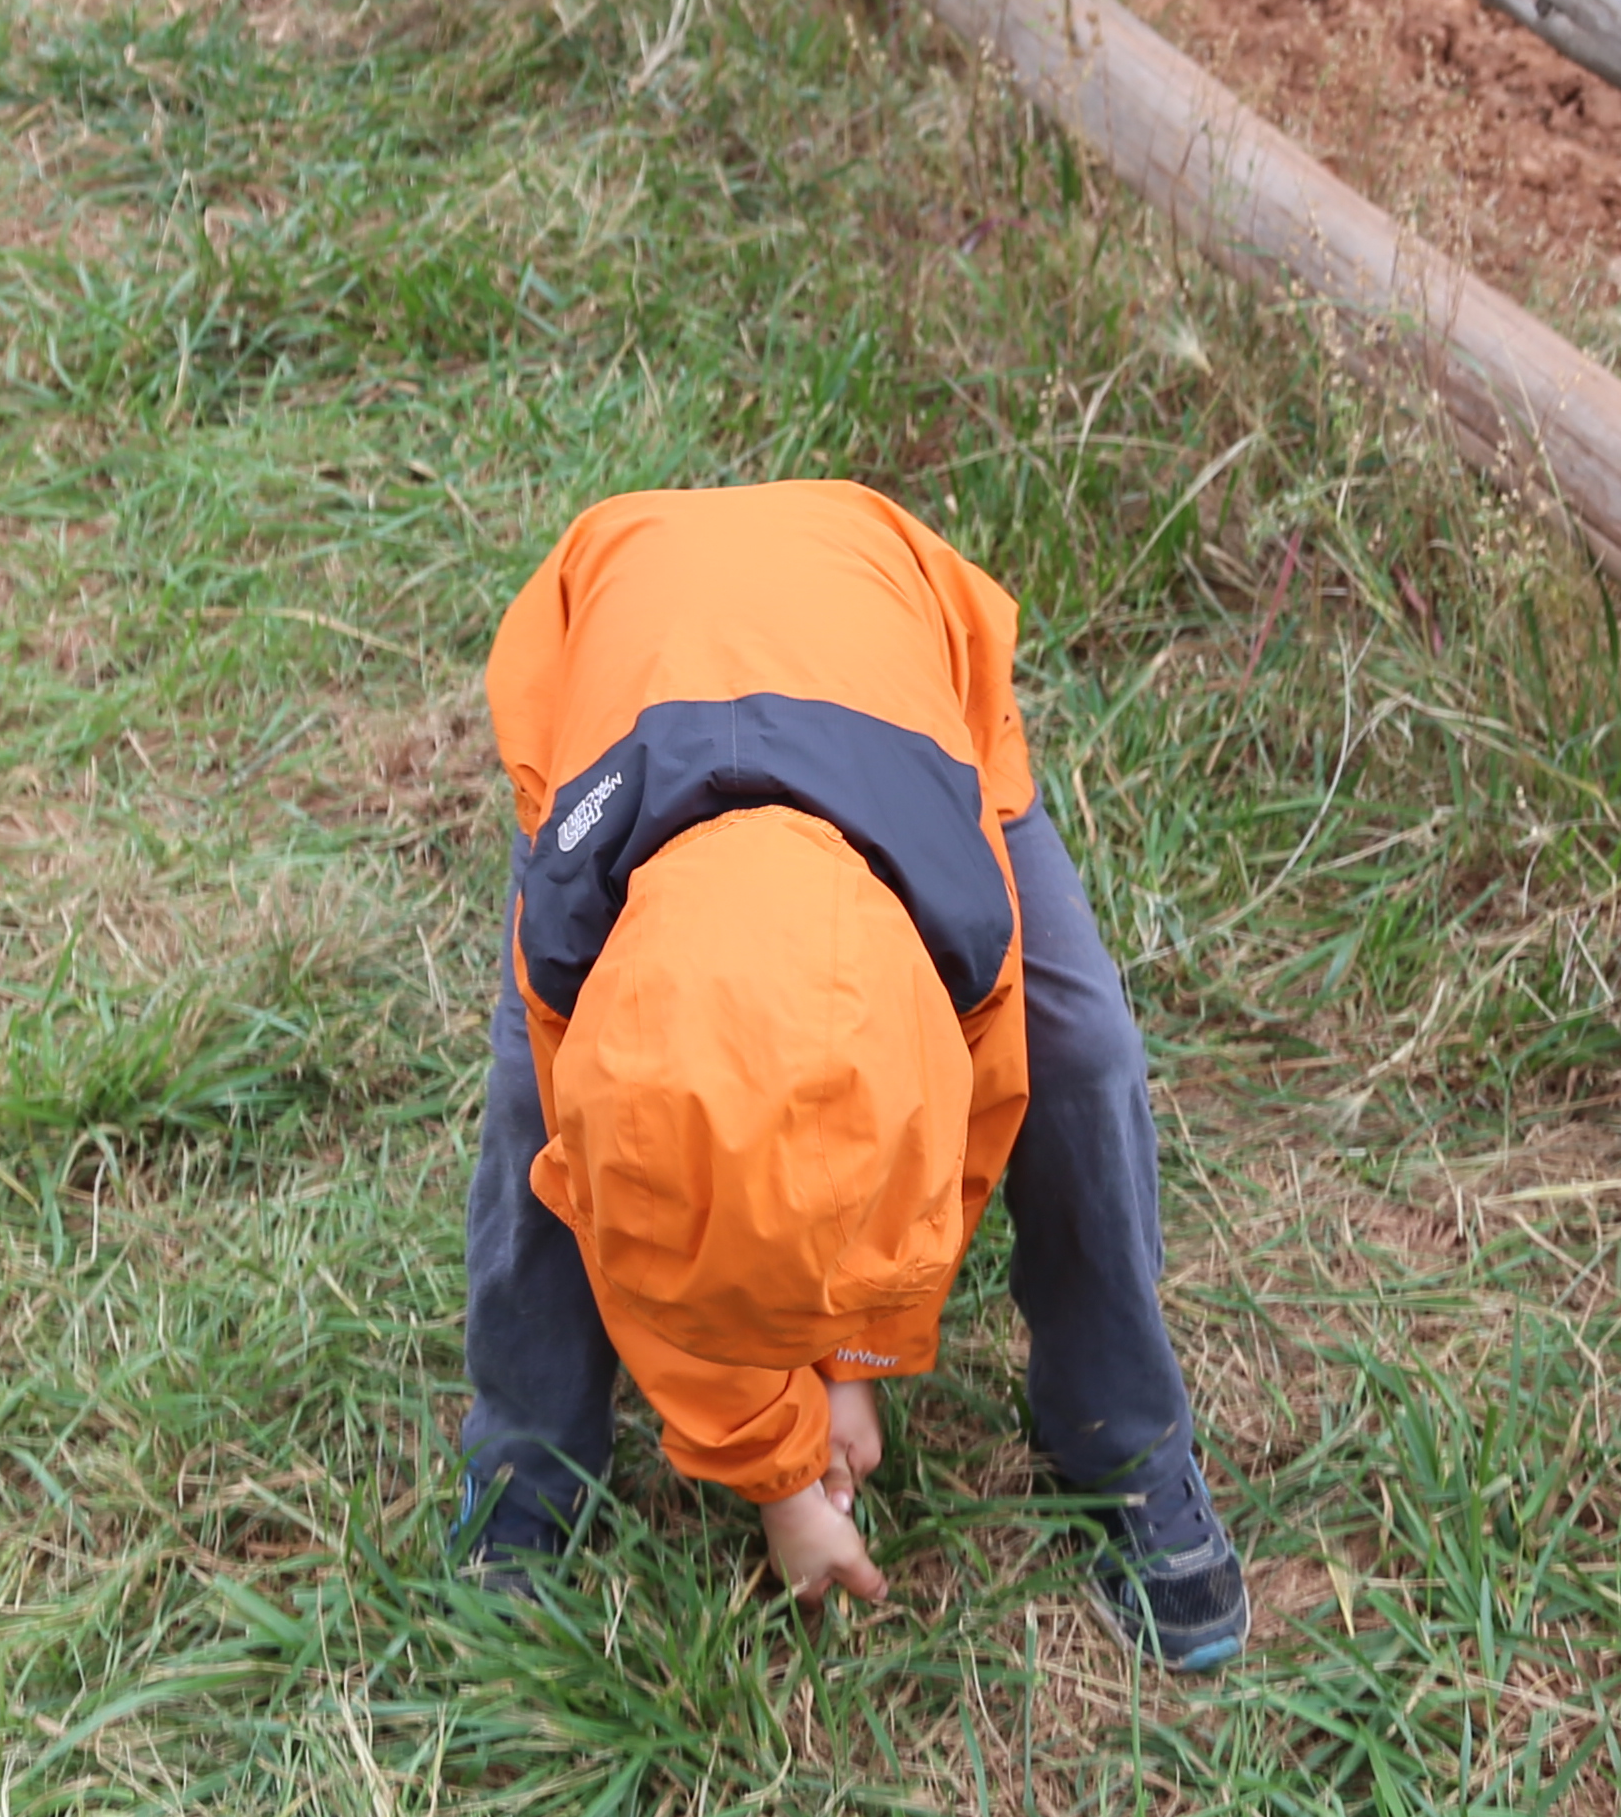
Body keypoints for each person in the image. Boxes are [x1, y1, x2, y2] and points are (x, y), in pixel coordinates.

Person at [459, 480, 1248, 1668]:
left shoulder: (964, 928)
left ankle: (1123, 1434)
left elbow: (940, 1169)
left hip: (891, 675)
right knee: (540, 1118)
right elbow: (639, 1221)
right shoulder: (574, 943)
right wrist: (778, 1472)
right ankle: (531, 1446)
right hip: (624, 658)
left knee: (1081, 1053)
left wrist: (855, 1362)